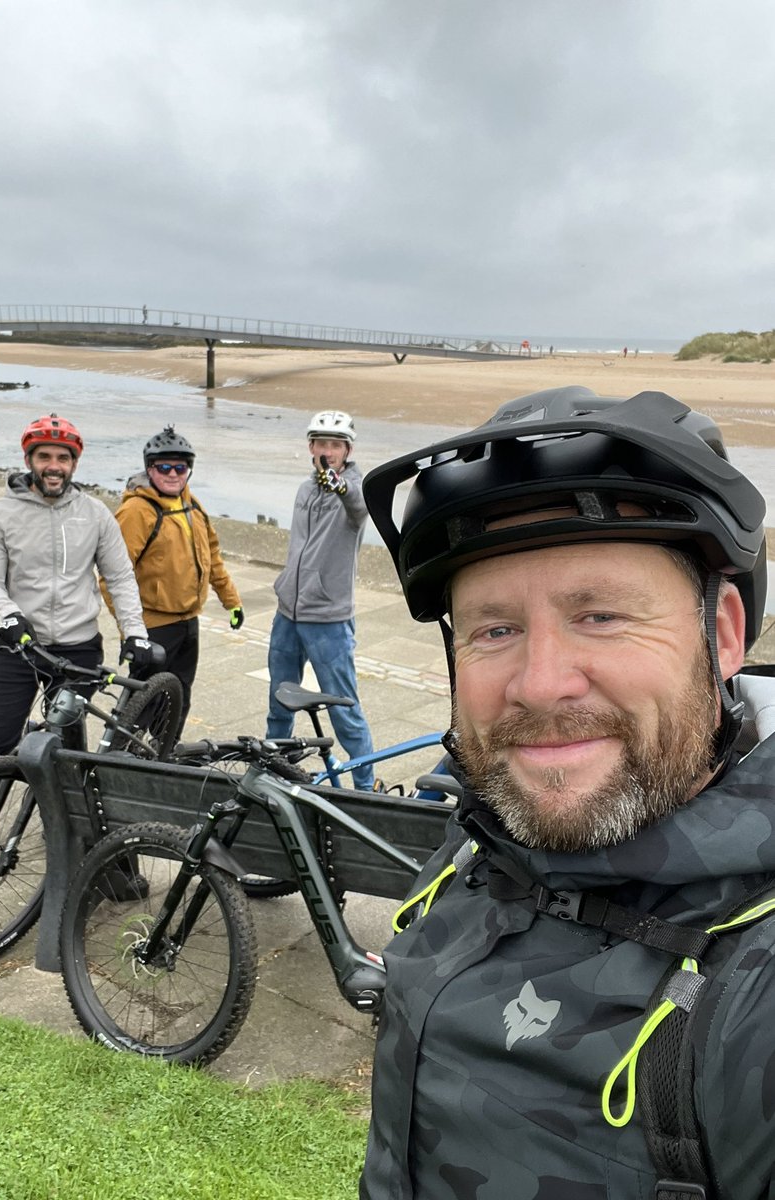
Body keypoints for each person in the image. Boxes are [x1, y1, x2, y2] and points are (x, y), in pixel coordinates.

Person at [359, 386, 773, 1198]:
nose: (541, 686)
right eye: (495, 629)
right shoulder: (483, 838)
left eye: (602, 615)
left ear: (722, 634)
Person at [0, 413, 158, 879]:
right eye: (45, 456)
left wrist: (136, 633)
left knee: (67, 750)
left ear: (74, 463)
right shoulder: (0, 513)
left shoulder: (96, 514)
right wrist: (9, 617)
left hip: (78, 651)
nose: (54, 465)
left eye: (63, 457)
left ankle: (70, 836)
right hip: (17, 645)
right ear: (29, 460)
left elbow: (120, 577)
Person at [104, 427, 243, 737]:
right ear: (149, 469)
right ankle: (120, 758)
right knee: (143, 701)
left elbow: (213, 557)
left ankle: (165, 754)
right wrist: (130, 631)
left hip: (188, 622)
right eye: (163, 467)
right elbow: (112, 575)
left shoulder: (192, 505)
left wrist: (231, 601)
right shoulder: (136, 511)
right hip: (152, 625)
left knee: (178, 696)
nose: (172, 474)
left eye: (180, 467)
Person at [266, 410, 375, 790]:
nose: (327, 450)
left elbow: (359, 507)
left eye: (335, 444)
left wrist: (340, 486)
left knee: (345, 710)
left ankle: (365, 786)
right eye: (321, 443)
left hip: (328, 619)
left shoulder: (355, 488)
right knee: (279, 702)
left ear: (347, 450)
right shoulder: (304, 489)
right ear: (311, 446)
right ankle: (276, 769)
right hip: (287, 614)